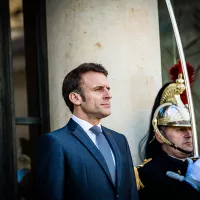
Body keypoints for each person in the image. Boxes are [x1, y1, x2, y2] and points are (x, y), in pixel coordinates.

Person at [35, 63, 139, 200]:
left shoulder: (120, 140)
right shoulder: (55, 142)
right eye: (98, 89)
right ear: (75, 98)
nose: (108, 95)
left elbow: (131, 193)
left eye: (108, 88)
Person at [134, 61, 200, 200]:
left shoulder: (195, 165)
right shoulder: (147, 174)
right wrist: (192, 184)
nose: (189, 134)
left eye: (190, 128)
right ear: (159, 135)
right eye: (180, 129)